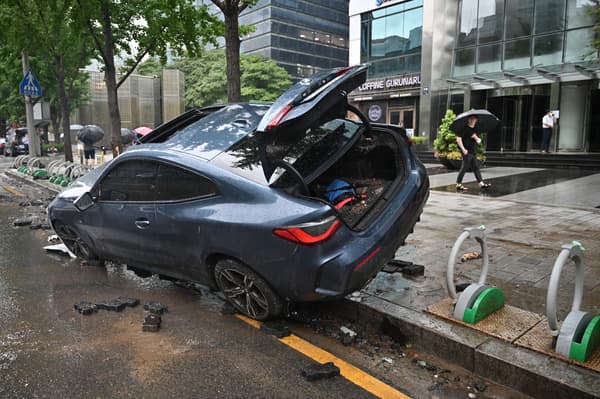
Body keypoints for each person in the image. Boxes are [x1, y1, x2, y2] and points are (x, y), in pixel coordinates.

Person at [456, 115, 491, 192]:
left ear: (476, 120)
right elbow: (458, 140)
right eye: (471, 119)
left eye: (474, 119)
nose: (472, 120)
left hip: (473, 151)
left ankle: (481, 184)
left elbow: (479, 142)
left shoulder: (476, 129)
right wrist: (463, 149)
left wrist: (476, 137)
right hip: (466, 152)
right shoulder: (464, 128)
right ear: (468, 120)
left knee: (476, 167)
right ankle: (458, 184)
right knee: (464, 168)